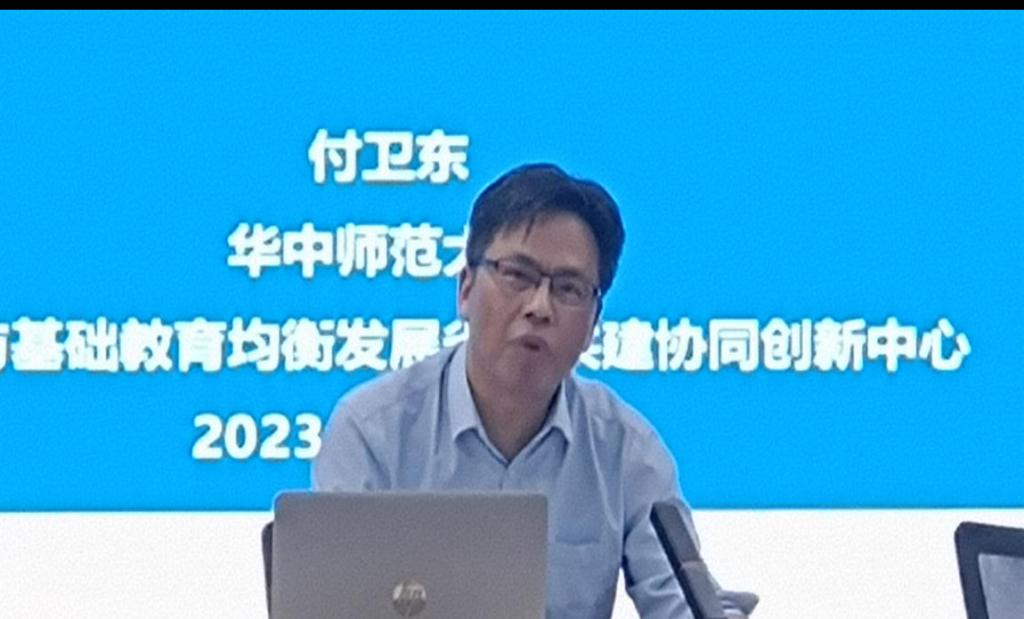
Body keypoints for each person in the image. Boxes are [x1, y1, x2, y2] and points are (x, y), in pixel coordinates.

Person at [312, 163, 753, 618]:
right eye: (517, 276)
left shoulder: (626, 451)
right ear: (465, 289)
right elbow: (330, 605)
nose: (539, 307)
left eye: (568, 288)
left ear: (593, 324)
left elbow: (678, 603)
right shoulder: (372, 432)